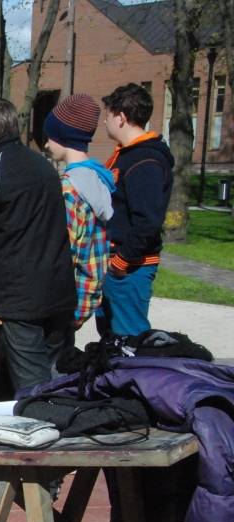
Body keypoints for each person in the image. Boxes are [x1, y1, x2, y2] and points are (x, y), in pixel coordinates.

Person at [0, 97, 75, 393]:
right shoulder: (45, 167)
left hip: (20, 298)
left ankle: (44, 427)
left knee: (34, 389)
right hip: (59, 290)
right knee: (58, 378)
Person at [98, 83, 174, 338]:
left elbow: (148, 221)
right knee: (110, 341)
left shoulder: (145, 161)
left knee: (128, 342)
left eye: (107, 115)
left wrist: (121, 263)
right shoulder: (125, 155)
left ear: (120, 117)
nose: (105, 122)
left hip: (129, 268)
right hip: (116, 264)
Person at [42, 93, 113, 338]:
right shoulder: (97, 179)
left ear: (62, 137)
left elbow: (62, 256)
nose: (46, 144)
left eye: (49, 137)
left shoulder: (68, 191)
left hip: (60, 308)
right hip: (81, 302)